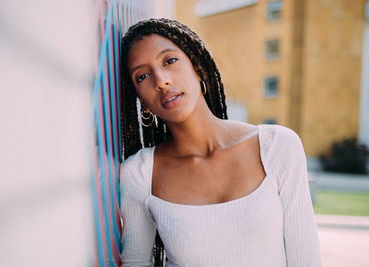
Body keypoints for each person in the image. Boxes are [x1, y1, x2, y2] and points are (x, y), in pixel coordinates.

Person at [119, 18, 322, 267]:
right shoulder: (140, 173)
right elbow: (135, 263)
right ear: (141, 101)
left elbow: (306, 259)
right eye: (142, 76)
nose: (161, 80)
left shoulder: (277, 147)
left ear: (197, 67)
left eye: (170, 61)